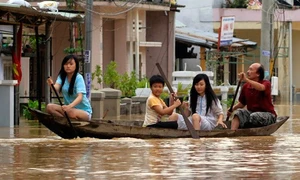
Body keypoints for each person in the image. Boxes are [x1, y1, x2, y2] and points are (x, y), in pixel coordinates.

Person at [228, 63, 277, 130]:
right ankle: (232, 132)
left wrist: (246, 80)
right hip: (252, 114)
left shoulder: (266, 83)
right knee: (239, 113)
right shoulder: (246, 86)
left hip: (268, 115)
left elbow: (261, 88)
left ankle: (245, 128)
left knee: (254, 116)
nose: (248, 71)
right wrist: (232, 109)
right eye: (248, 69)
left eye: (251, 70)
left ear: (258, 74)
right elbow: (242, 104)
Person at [46, 54, 92, 121]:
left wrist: (69, 106)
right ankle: (64, 122)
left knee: (70, 112)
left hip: (84, 112)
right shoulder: (62, 76)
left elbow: (80, 97)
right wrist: (51, 84)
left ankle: (66, 120)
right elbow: (56, 88)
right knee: (49, 107)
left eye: (71, 64)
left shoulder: (79, 78)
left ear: (76, 66)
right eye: (66, 64)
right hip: (68, 110)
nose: (68, 66)